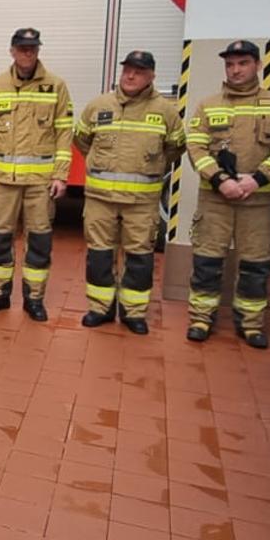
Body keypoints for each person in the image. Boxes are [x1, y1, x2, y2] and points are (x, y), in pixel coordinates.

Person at [184, 40, 270, 348]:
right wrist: (220, 180)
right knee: (207, 261)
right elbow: (195, 146)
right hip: (215, 199)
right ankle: (200, 318)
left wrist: (257, 179)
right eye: (230, 64)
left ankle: (250, 323)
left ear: (257, 65)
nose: (235, 70)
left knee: (255, 264)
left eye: (242, 63)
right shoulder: (208, 105)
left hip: (257, 201)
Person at [74, 50, 185, 334]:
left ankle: (134, 313)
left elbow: (174, 148)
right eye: (127, 70)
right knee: (99, 255)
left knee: (139, 257)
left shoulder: (166, 112)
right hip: (100, 199)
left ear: (151, 76)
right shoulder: (99, 105)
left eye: (138, 71)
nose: (131, 76)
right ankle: (100, 308)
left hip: (142, 202)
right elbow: (82, 139)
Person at [0, 28, 75, 322]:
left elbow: (64, 133)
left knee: (39, 240)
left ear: (38, 50)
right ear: (12, 51)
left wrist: (61, 176)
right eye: (22, 48)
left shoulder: (56, 86)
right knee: (0, 238)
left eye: (32, 48)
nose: (27, 53)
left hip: (40, 184)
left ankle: (34, 298)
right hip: (3, 181)